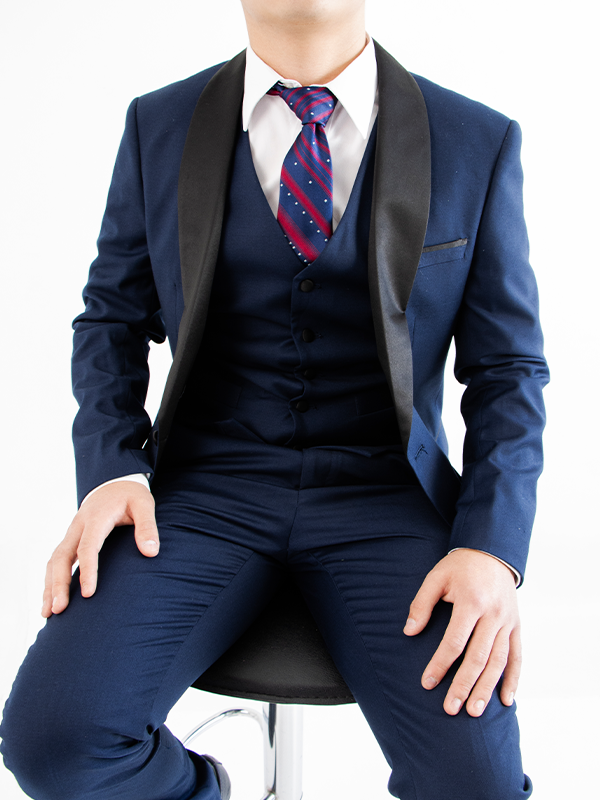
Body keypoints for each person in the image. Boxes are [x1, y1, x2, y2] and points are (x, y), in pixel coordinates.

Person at [0, 1, 548, 798]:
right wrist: (112, 469)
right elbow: (110, 321)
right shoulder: (159, 124)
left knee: (480, 787)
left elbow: (509, 370)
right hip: (204, 492)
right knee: (55, 741)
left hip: (386, 497)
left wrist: (492, 548)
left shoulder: (476, 139)